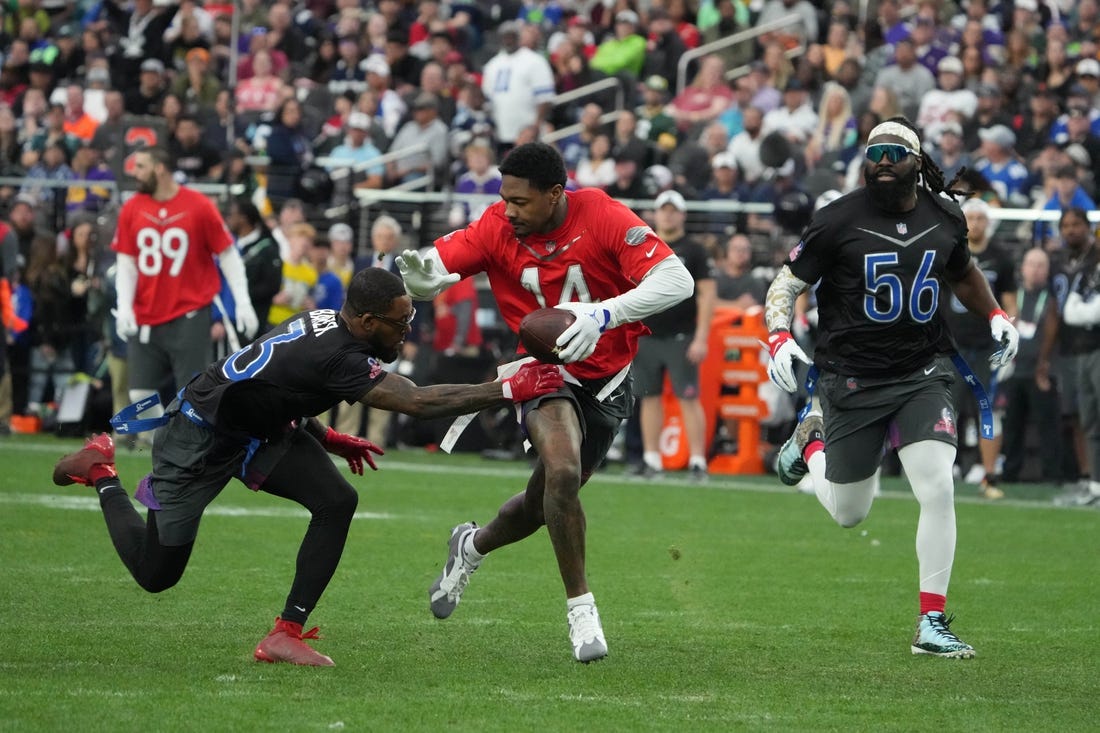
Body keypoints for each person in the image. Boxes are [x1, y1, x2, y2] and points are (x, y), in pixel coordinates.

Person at [51, 267, 565, 666]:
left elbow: (280, 383)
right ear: (366, 322)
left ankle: (284, 633)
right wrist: (505, 389)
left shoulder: (328, 322)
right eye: (400, 322)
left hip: (256, 425)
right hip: (200, 433)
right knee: (156, 573)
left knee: (337, 500)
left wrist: (326, 435)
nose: (408, 329)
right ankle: (101, 472)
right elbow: (418, 402)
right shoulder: (340, 354)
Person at [397, 142, 693, 662]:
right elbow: (434, 263)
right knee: (561, 472)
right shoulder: (495, 224)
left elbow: (678, 281)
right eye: (503, 198)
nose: (508, 210)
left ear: (556, 194)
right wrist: (415, 279)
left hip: (607, 378)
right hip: (543, 373)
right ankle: (581, 609)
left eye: (521, 201)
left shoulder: (599, 214)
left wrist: (602, 315)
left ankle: (471, 546)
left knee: (540, 506)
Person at [763, 117, 1020, 659]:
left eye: (893, 152)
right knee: (849, 512)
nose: (881, 160)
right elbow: (787, 282)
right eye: (873, 151)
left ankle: (932, 621)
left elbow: (963, 272)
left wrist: (996, 313)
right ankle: (810, 443)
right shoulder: (836, 219)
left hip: (922, 371)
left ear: (917, 161)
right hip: (851, 378)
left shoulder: (945, 213)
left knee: (938, 486)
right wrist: (779, 335)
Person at [112, 148, 260, 428]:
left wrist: (242, 301)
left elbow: (227, 254)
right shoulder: (132, 207)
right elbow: (126, 262)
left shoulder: (199, 205)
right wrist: (124, 306)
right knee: (140, 392)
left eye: (141, 166)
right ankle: (158, 448)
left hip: (189, 311)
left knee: (194, 391)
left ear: (160, 168)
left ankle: (186, 448)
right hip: (146, 311)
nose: (135, 173)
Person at [631, 190, 717, 481]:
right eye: (663, 210)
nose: (668, 215)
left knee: (688, 397)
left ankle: (697, 462)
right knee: (648, 397)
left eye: (673, 210)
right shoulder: (643, 247)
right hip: (646, 333)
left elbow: (707, 294)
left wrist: (701, 336)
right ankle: (652, 459)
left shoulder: (694, 250)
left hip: (681, 335)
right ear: (655, 213)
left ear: (682, 214)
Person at [941, 198, 1017, 499]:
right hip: (953, 345)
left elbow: (1010, 303)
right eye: (970, 217)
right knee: (945, 411)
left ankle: (989, 476)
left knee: (988, 412)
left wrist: (1009, 333)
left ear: (989, 221)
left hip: (987, 346)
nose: (975, 223)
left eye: (980, 218)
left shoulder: (1001, 257)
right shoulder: (951, 252)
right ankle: (941, 474)